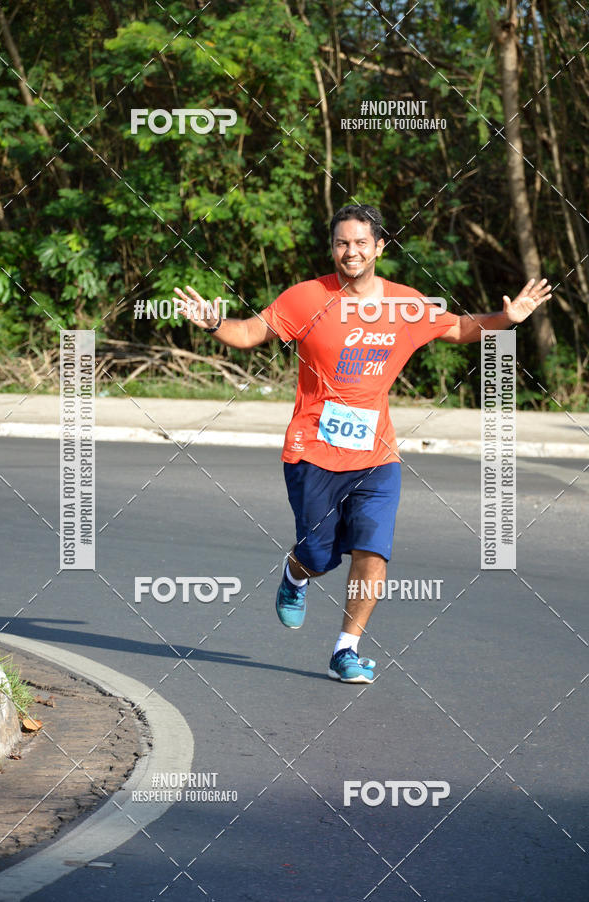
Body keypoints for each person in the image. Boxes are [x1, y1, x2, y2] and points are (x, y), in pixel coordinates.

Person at [174, 204, 551, 683]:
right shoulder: (305, 299)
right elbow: (250, 333)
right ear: (333, 248)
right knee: (319, 556)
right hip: (312, 452)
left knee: (373, 551)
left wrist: (506, 317)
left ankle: (345, 650)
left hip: (377, 457)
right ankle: (295, 574)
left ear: (379, 247)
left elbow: (457, 327)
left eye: (359, 243)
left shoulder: (405, 304)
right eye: (341, 243)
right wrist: (213, 324)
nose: (350, 252)